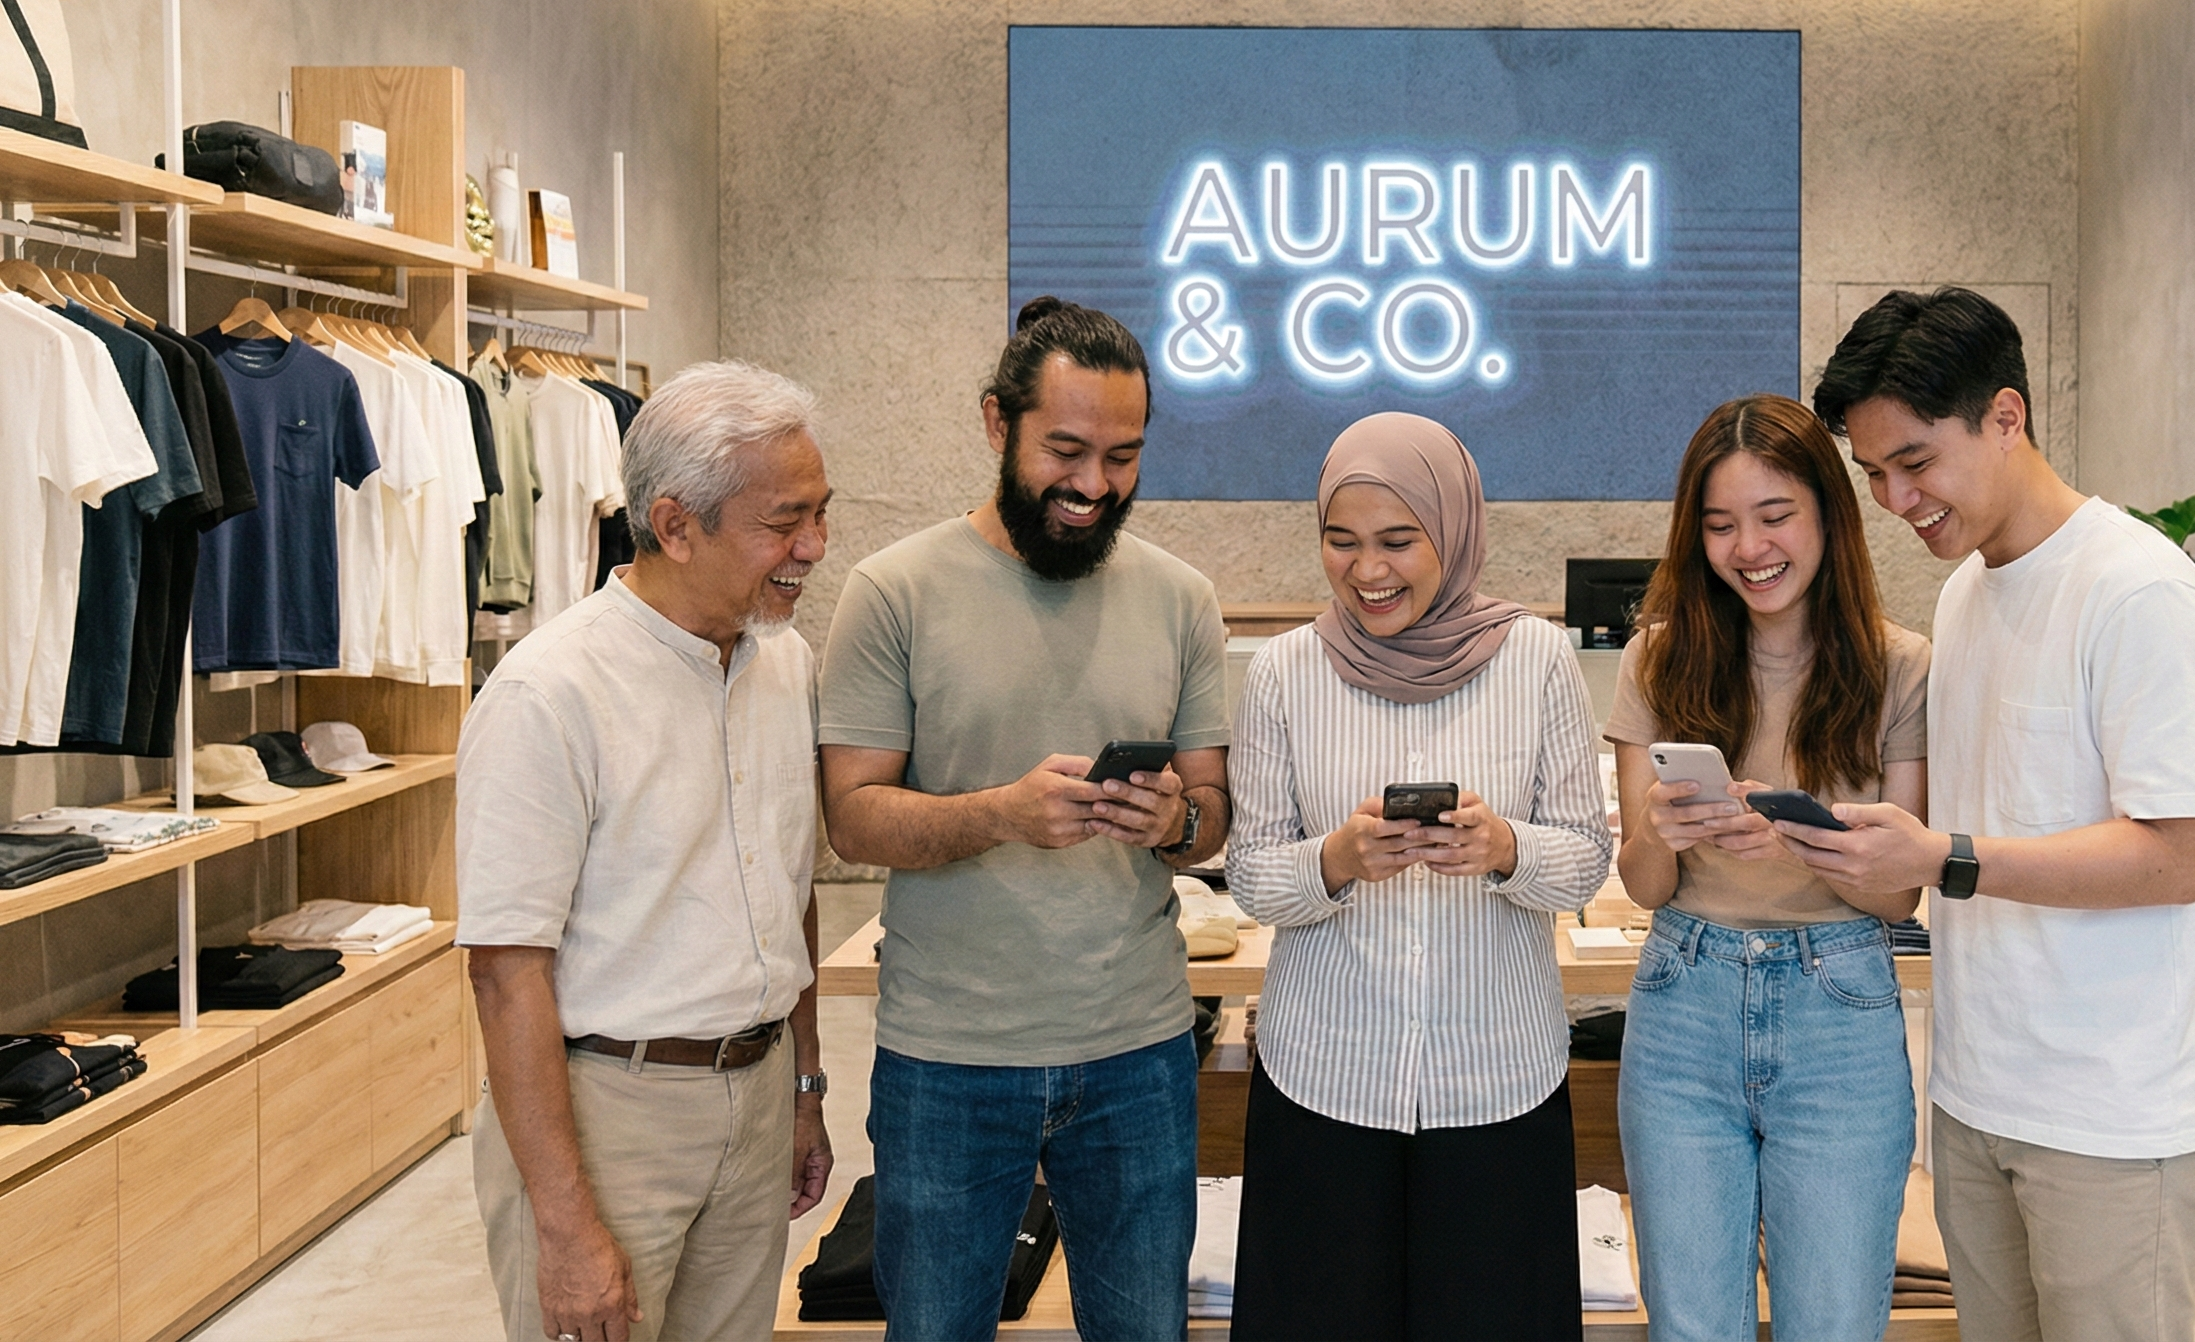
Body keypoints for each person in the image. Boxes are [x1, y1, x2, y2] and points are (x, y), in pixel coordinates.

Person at [1799, 287, 2195, 1342]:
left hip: (2115, 1111)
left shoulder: (2140, 593)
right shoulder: (1966, 593)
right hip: (1976, 1089)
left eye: (1915, 462)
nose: (1897, 500)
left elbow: (2173, 858)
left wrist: (1946, 857)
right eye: (1874, 477)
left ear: (2006, 417)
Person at [818, 296, 1231, 1342]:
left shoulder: (1180, 598)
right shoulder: (892, 592)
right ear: (996, 424)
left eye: (1124, 456)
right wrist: (1000, 813)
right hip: (946, 1056)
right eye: (1066, 450)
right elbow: (852, 821)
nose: (1095, 485)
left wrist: (1171, 822)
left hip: (1138, 1048)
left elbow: (1212, 816)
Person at [457, 360, 835, 1342]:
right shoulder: (551, 693)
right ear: (674, 525)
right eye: (783, 522)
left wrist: (802, 1085)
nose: (814, 548)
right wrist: (565, 1222)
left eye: (821, 514)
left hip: (754, 1100)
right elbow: (506, 974)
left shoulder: (783, 661)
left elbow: (787, 888)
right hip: (605, 1116)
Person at [1224, 412, 1612, 1342]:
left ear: (1457, 529)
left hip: (1497, 1085)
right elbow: (1249, 876)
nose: (1368, 572)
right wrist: (1336, 860)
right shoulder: (1283, 671)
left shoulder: (1538, 658)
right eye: (1340, 541)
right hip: (1325, 1081)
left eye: (1399, 541)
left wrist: (1506, 849)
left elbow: (1588, 857)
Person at [1606, 393, 1930, 1340]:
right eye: (1720, 525)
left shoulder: (1896, 664)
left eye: (1775, 517)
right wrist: (1665, 830)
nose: (1750, 548)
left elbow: (1898, 890)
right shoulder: (1657, 661)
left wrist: (1795, 835)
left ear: (1830, 513)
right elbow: (1644, 884)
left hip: (1842, 1006)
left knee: (1831, 1321)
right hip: (1681, 1001)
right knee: (1691, 1324)